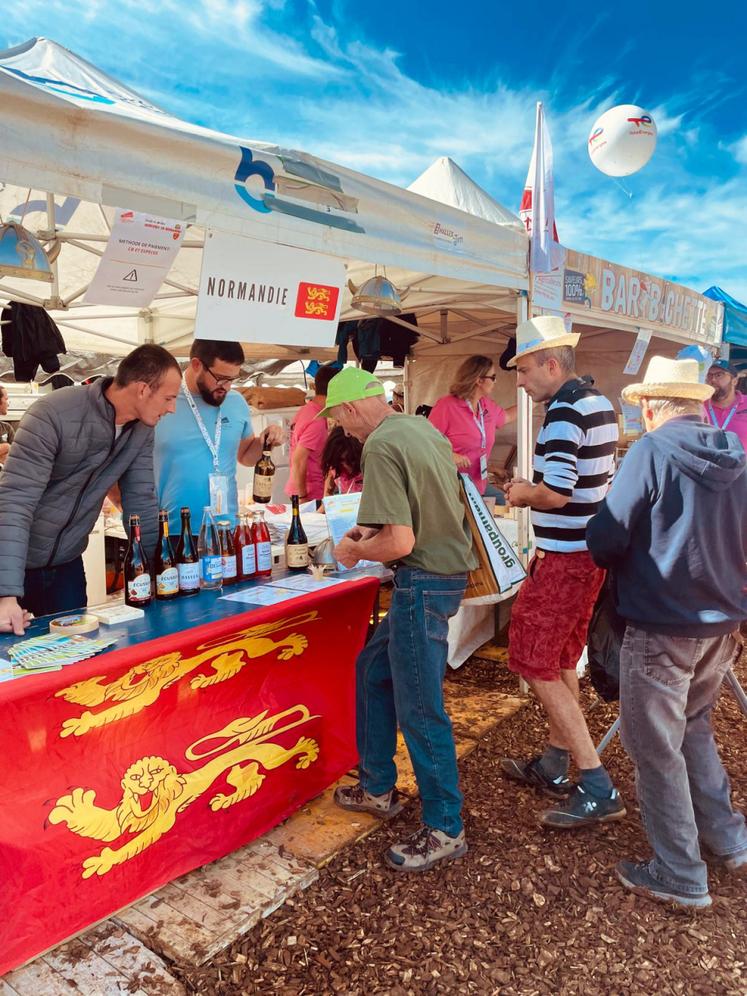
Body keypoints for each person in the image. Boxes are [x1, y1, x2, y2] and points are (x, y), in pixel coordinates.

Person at [586, 355, 747, 908]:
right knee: (692, 726)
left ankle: (680, 872)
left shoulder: (651, 451)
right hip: (721, 623)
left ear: (652, 407)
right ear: (698, 402)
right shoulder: (736, 452)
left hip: (661, 624)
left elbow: (606, 539)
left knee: (654, 746)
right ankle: (727, 838)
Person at [323, 367, 476, 872]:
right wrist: (365, 535)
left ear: (348, 410)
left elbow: (400, 542)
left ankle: (444, 825)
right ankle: (377, 786)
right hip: (443, 575)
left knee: (420, 707)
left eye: (339, 421)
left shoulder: (379, 446)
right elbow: (414, 505)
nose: (343, 432)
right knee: (373, 670)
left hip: (422, 580)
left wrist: (353, 552)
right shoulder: (418, 428)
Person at [501, 315, 624, 828]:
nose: (522, 381)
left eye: (526, 370)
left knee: (533, 661)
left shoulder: (565, 412)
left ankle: (596, 783)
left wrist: (519, 491)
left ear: (552, 364)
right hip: (583, 556)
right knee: (557, 659)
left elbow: (556, 492)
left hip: (567, 560)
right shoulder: (597, 402)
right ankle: (555, 762)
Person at [0, 345, 182, 633]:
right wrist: (5, 593)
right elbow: (14, 501)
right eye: (169, 398)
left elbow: (141, 502)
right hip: (14, 566)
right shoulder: (52, 414)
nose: (172, 408)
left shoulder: (142, 431)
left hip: (67, 565)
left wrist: (159, 575)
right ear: (143, 390)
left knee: (77, 654)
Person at [155, 339, 284, 529]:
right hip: (174, 529)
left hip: (226, 525)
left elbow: (246, 456)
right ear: (197, 365)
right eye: (221, 378)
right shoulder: (164, 400)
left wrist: (266, 441)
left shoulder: (236, 402)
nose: (226, 386)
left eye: (232, 379)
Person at [428, 355, 516, 496]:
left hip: (477, 485)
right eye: (493, 377)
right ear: (479, 380)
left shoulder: (486, 405)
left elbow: (508, 416)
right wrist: (450, 455)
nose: (495, 381)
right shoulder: (447, 406)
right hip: (451, 488)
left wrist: (537, 399)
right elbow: (425, 443)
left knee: (503, 502)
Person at [285, 364, 338, 501]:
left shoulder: (306, 410)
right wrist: (302, 497)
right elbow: (299, 459)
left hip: (301, 489)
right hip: (309, 493)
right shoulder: (317, 420)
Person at [705, 359, 747, 451]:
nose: (713, 380)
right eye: (709, 375)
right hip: (706, 464)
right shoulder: (699, 405)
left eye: (719, 375)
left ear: (734, 381)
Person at [321, 426, 363, 496]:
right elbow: (327, 501)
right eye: (340, 460)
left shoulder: (369, 465)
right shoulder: (335, 468)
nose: (346, 465)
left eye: (351, 460)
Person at [0, 385, 15, 466]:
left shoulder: (7, 428)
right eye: (6, 399)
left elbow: (16, 454)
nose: (8, 404)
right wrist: (6, 447)